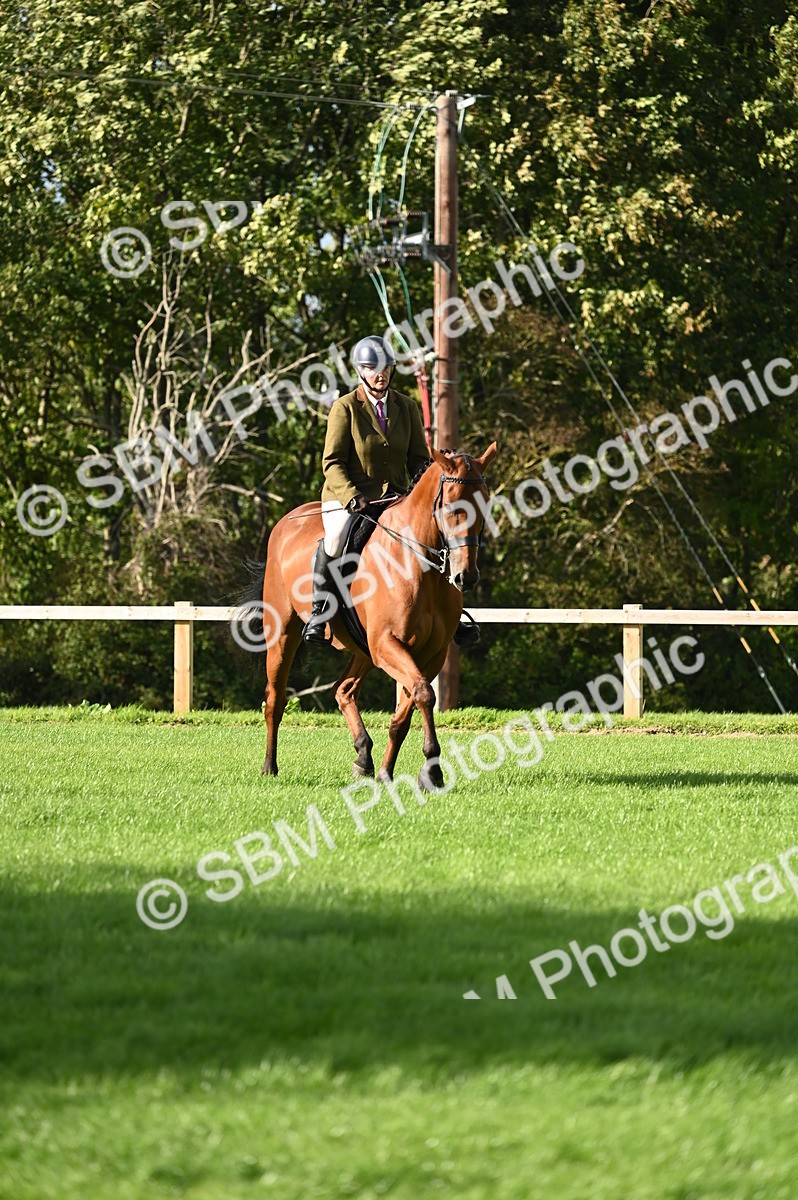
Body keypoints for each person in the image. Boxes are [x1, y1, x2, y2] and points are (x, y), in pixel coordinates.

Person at [303, 334, 481, 648]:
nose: (380, 374)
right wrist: (350, 495)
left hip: (395, 498)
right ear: (360, 371)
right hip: (349, 498)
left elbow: (418, 461)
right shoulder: (345, 408)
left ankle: (451, 613)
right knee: (336, 537)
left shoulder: (406, 406)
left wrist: (434, 473)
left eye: (385, 368)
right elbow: (332, 462)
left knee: (437, 534)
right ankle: (320, 611)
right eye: (372, 368)